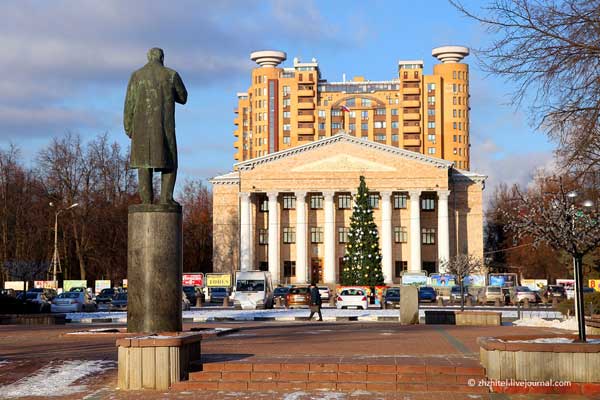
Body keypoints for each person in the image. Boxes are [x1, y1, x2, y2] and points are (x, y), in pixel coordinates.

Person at [124, 48, 188, 205]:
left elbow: (129, 103)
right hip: (164, 127)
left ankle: (146, 201)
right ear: (162, 58)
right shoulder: (171, 74)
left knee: (143, 164)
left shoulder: (136, 76)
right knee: (170, 162)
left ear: (148, 58)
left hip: (140, 129)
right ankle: (166, 198)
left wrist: (128, 127)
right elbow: (183, 97)